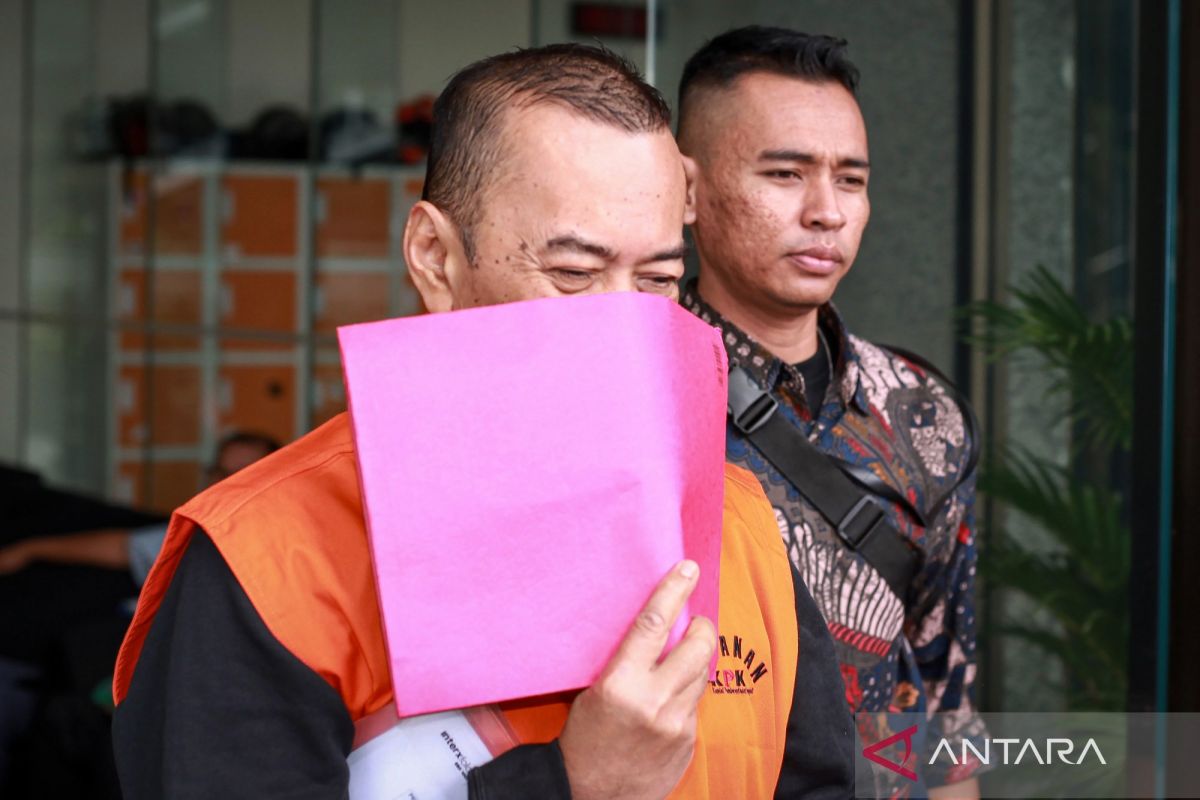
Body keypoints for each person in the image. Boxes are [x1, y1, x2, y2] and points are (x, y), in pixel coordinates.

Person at [111, 44, 833, 799]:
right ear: (435, 258)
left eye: (657, 279)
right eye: (574, 274)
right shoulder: (272, 557)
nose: (623, 330)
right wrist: (572, 784)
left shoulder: (737, 526)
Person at [677, 27, 985, 798]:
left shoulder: (923, 414)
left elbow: (945, 699)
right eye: (785, 173)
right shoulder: (632, 398)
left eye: (850, 180)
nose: (826, 212)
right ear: (687, 189)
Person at [0, 431, 279, 585]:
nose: (224, 483)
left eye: (241, 473)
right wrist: (32, 549)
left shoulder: (282, 546)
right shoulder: (198, 537)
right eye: (219, 472)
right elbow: (125, 548)